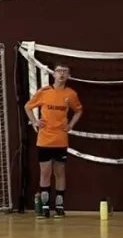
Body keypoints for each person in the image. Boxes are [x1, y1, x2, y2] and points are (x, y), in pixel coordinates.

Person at [25, 64, 84, 217]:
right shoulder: (44, 92)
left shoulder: (71, 94)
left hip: (60, 139)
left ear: (68, 76)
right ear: (54, 75)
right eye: (59, 71)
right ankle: (45, 207)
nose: (61, 74)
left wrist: (70, 125)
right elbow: (28, 107)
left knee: (60, 172)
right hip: (44, 140)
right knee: (45, 172)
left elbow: (78, 111)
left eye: (65, 71)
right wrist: (35, 121)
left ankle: (59, 206)